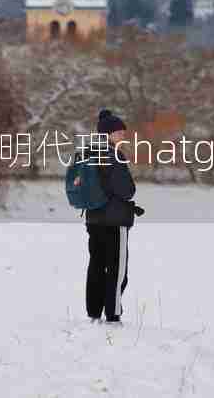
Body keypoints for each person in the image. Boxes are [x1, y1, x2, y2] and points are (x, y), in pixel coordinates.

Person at [85, 109, 140, 325]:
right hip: (114, 221)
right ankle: (113, 315)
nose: (123, 136)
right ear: (108, 134)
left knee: (96, 265)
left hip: (93, 219)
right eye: (119, 132)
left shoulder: (88, 153)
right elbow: (127, 190)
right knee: (117, 269)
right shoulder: (113, 155)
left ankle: (94, 313)